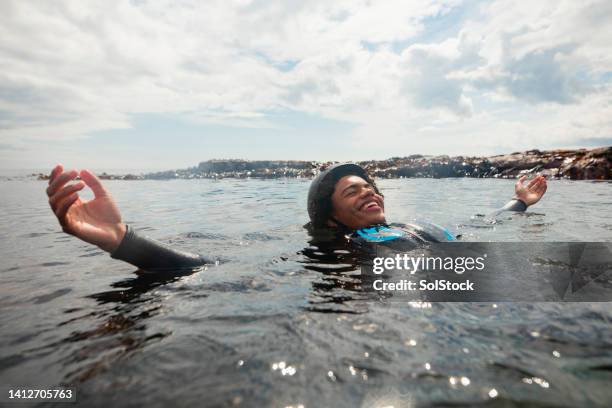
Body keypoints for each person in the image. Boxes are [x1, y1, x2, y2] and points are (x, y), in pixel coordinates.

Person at [45, 163, 547, 271]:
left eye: (370, 187)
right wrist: (122, 240)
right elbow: (206, 266)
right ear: (327, 211)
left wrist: (519, 201)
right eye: (352, 190)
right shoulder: (331, 251)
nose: (369, 192)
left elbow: (486, 227)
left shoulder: (412, 229)